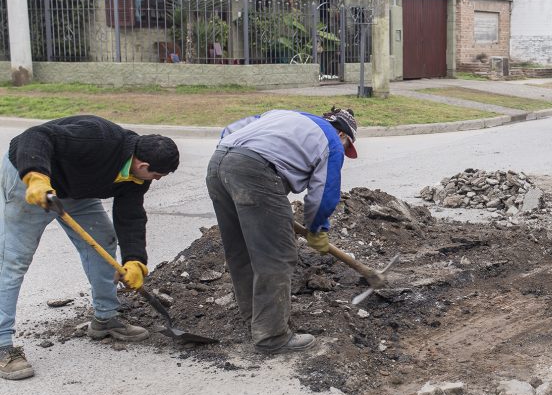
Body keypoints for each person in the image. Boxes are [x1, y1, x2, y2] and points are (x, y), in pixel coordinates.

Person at [0, 115, 180, 380]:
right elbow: (34, 137)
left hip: (75, 190)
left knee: (103, 242)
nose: (158, 180)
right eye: (157, 174)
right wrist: (36, 176)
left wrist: (135, 260)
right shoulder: (98, 137)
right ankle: (3, 345)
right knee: (14, 259)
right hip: (32, 179)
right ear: (143, 164)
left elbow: (130, 216)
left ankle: (106, 318)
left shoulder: (138, 177)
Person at [206, 106, 357, 354]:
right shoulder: (332, 141)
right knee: (277, 255)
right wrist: (317, 228)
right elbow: (323, 196)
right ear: (343, 135)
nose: (344, 150)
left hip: (218, 164)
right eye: (347, 145)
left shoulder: (279, 115)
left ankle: (256, 320)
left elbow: (229, 131)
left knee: (241, 250)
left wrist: (238, 165)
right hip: (257, 171)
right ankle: (272, 336)